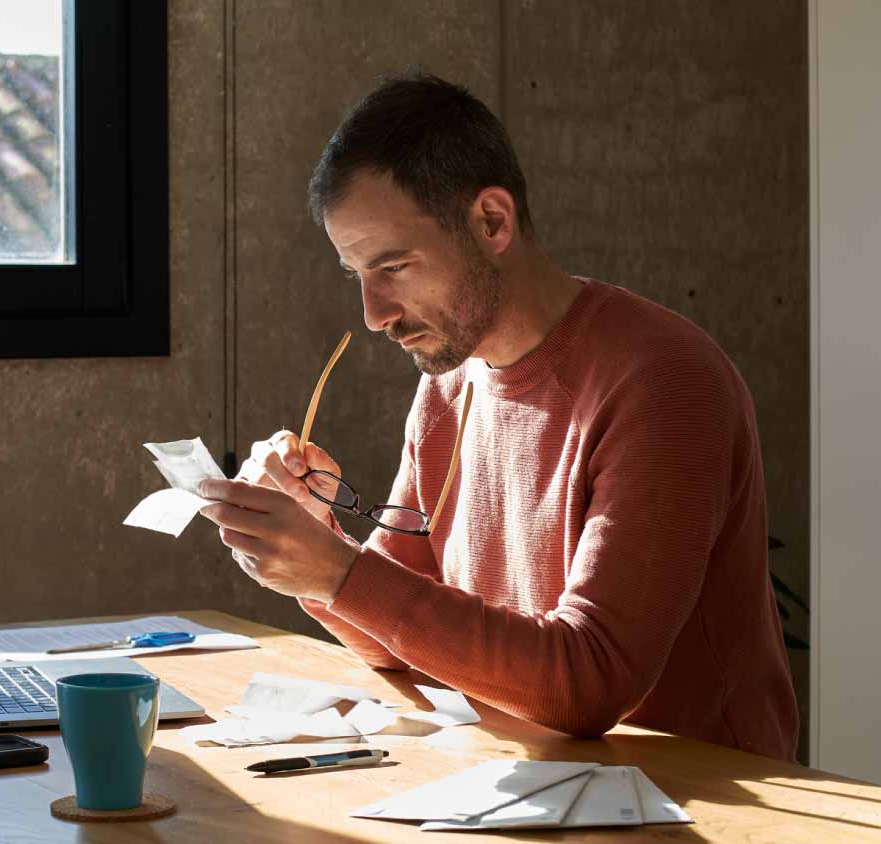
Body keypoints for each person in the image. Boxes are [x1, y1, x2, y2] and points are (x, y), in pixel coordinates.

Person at [196, 72, 799, 761]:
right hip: (533, 789)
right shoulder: (451, 388)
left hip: (700, 804)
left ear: (492, 222)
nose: (374, 315)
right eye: (357, 275)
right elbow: (399, 636)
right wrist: (315, 546)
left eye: (393, 267)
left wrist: (339, 573)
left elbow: (593, 679)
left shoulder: (664, 381)